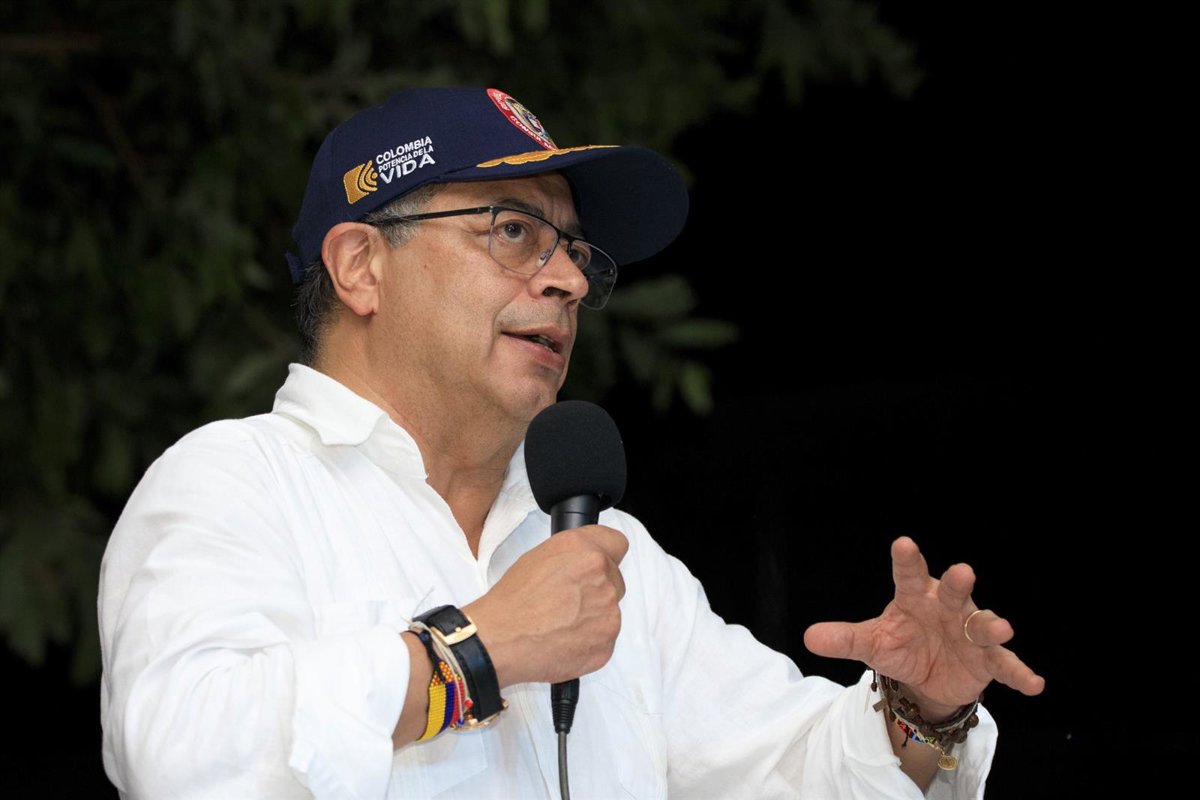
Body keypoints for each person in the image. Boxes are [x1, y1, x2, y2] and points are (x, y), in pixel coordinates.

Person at [98, 87, 1044, 799]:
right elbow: (179, 755)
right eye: (514, 231)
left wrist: (921, 712)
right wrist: (474, 652)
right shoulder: (236, 483)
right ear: (361, 266)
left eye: (576, 251)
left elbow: (794, 769)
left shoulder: (604, 551)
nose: (571, 283)